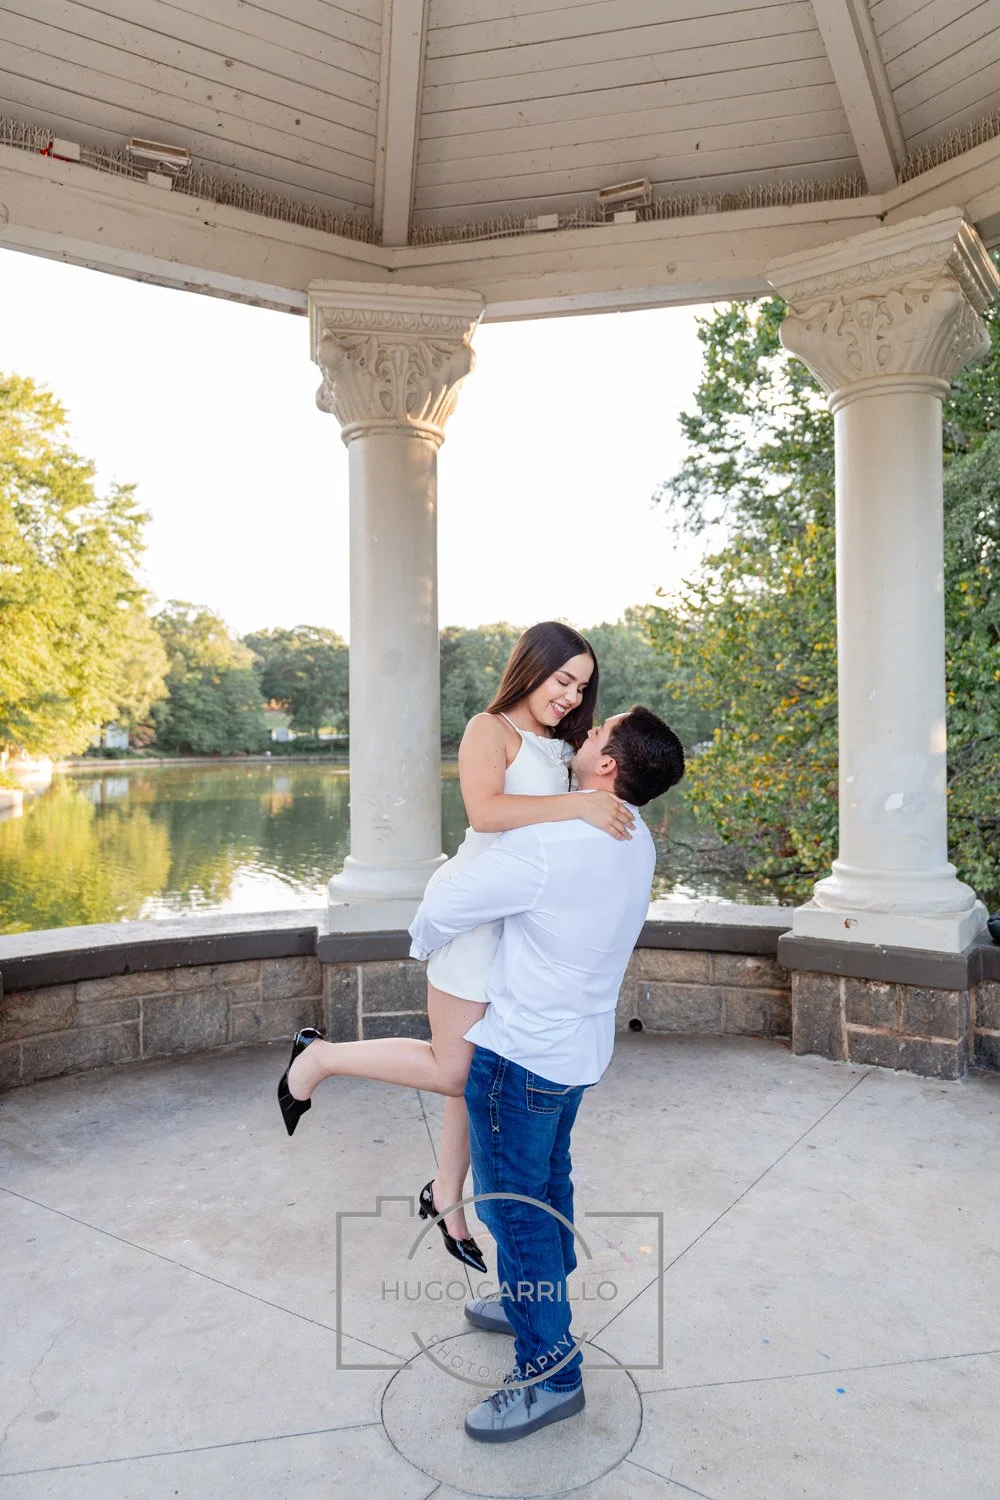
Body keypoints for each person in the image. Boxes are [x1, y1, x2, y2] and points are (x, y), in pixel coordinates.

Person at [277, 622, 635, 1272]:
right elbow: (486, 813)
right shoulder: (488, 728)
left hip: (524, 923)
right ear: (533, 667)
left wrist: (587, 806)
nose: (569, 696)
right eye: (563, 680)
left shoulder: (561, 746)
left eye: (581, 687)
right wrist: (578, 807)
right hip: (476, 913)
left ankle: (447, 1197)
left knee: (483, 1069)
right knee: (457, 1069)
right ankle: (319, 1058)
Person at [408, 705, 685, 1444]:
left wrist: (429, 947)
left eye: (597, 734)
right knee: (549, 1186)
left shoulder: (552, 843)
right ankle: (533, 1301)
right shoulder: (637, 836)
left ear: (606, 769)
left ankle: (549, 1373)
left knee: (515, 1210)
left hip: (520, 1057)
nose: (582, 733)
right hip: (579, 1054)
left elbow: (441, 906)